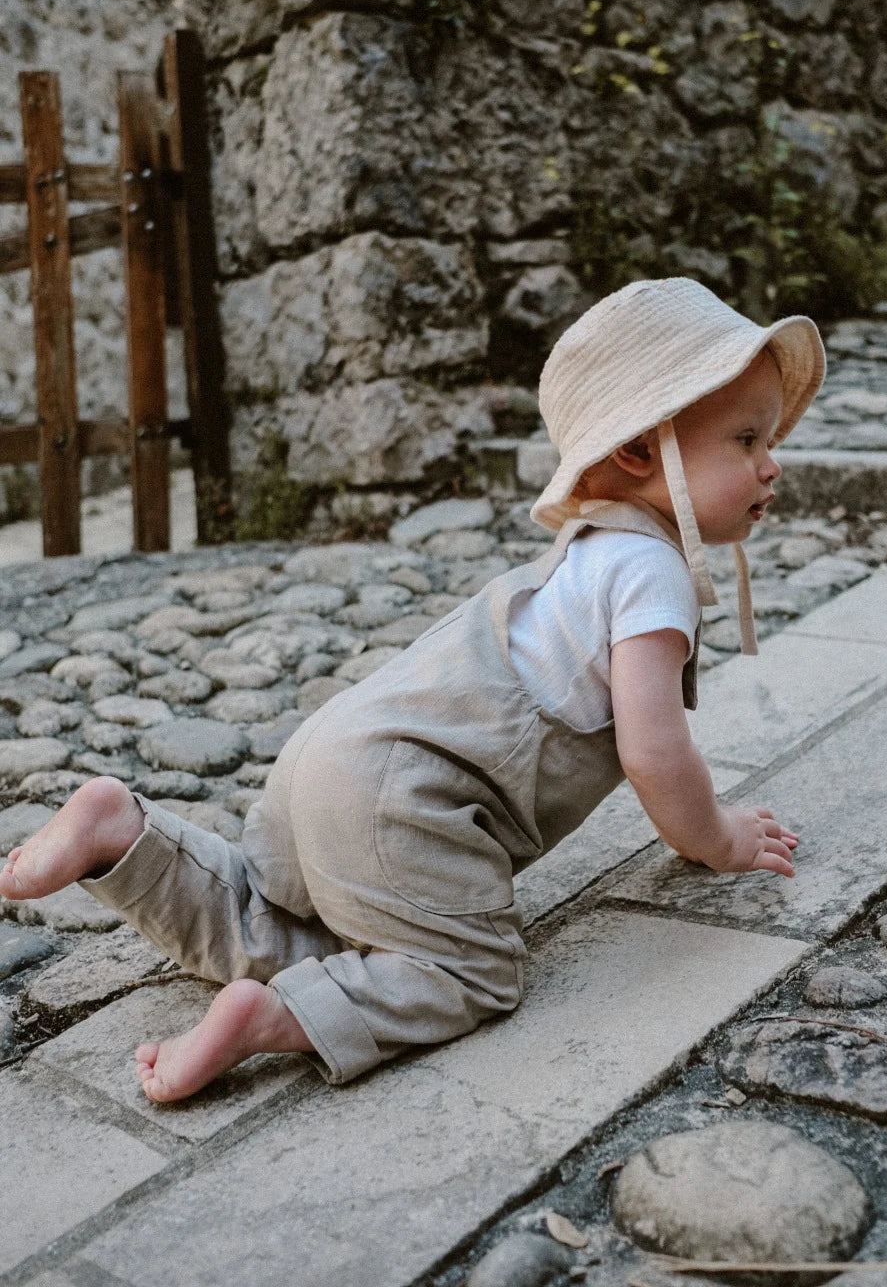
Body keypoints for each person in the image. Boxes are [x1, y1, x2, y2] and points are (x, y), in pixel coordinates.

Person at [0, 277, 825, 1103]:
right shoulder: (652, 576)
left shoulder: (592, 553)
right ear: (642, 453)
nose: (771, 462)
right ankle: (273, 1020)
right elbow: (652, 748)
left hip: (328, 761)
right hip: (403, 803)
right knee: (469, 971)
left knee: (268, 917)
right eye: (746, 439)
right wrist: (712, 836)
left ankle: (124, 834)